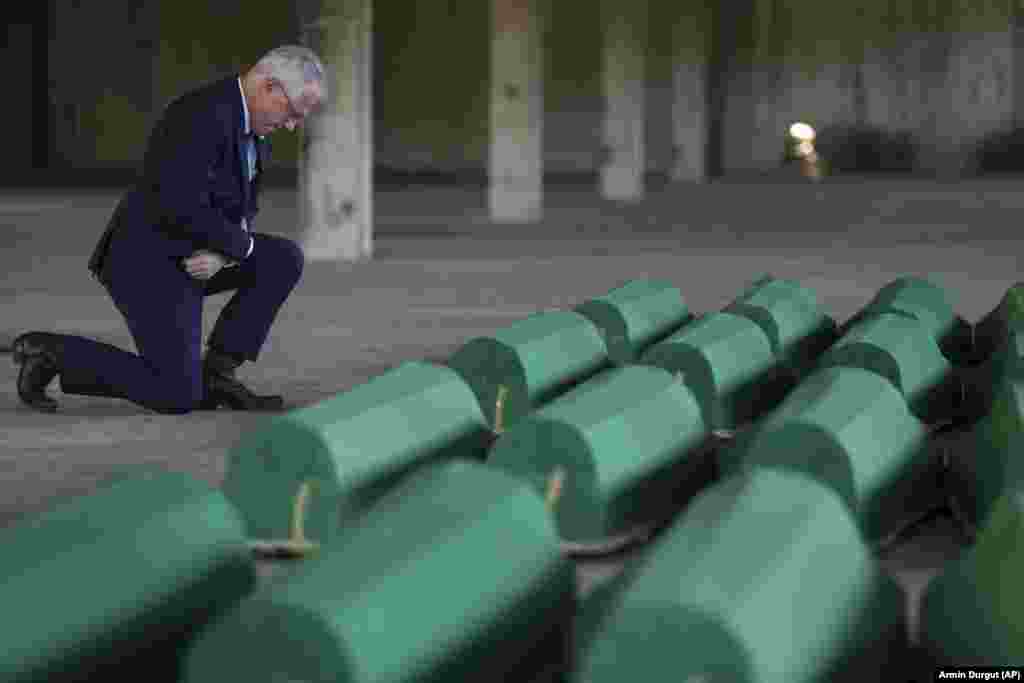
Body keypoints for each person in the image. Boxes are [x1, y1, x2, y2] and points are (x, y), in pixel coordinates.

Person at [13, 45, 328, 414]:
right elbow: (177, 204)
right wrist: (236, 248)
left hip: (192, 254)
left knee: (282, 258)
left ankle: (217, 375)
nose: (292, 125)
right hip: (148, 263)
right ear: (270, 87)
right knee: (174, 394)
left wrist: (223, 252)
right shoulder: (198, 115)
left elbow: (244, 205)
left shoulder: (251, 125)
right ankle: (51, 353)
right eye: (292, 112)